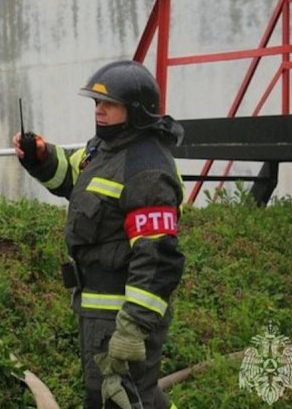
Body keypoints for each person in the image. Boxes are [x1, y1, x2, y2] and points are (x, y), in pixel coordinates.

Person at [13, 60, 184, 409]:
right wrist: (41, 157)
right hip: (96, 312)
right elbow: (71, 177)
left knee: (124, 399)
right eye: (96, 103)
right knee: (121, 397)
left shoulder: (147, 170)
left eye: (109, 104)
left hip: (121, 318)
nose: (99, 110)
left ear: (135, 110)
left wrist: (133, 327)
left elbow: (157, 258)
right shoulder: (102, 149)